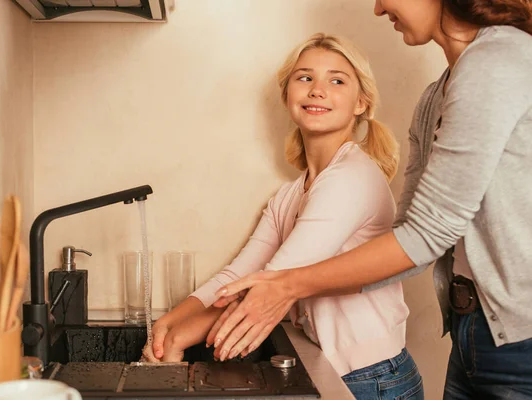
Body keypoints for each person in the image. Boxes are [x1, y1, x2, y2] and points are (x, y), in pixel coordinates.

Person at [209, 1, 532, 399]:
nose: (378, 8)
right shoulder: (436, 95)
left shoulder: (497, 61)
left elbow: (427, 234)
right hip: (472, 333)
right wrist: (285, 289)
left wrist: (289, 286)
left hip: (521, 340)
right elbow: (411, 238)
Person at [142, 33, 424, 399]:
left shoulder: (351, 177)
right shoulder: (292, 193)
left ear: (361, 103)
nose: (317, 90)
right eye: (304, 78)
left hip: (374, 379)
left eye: (336, 80)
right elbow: (238, 274)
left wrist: (180, 336)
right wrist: (169, 322)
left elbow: (271, 286)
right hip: (342, 370)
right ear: (287, 95)